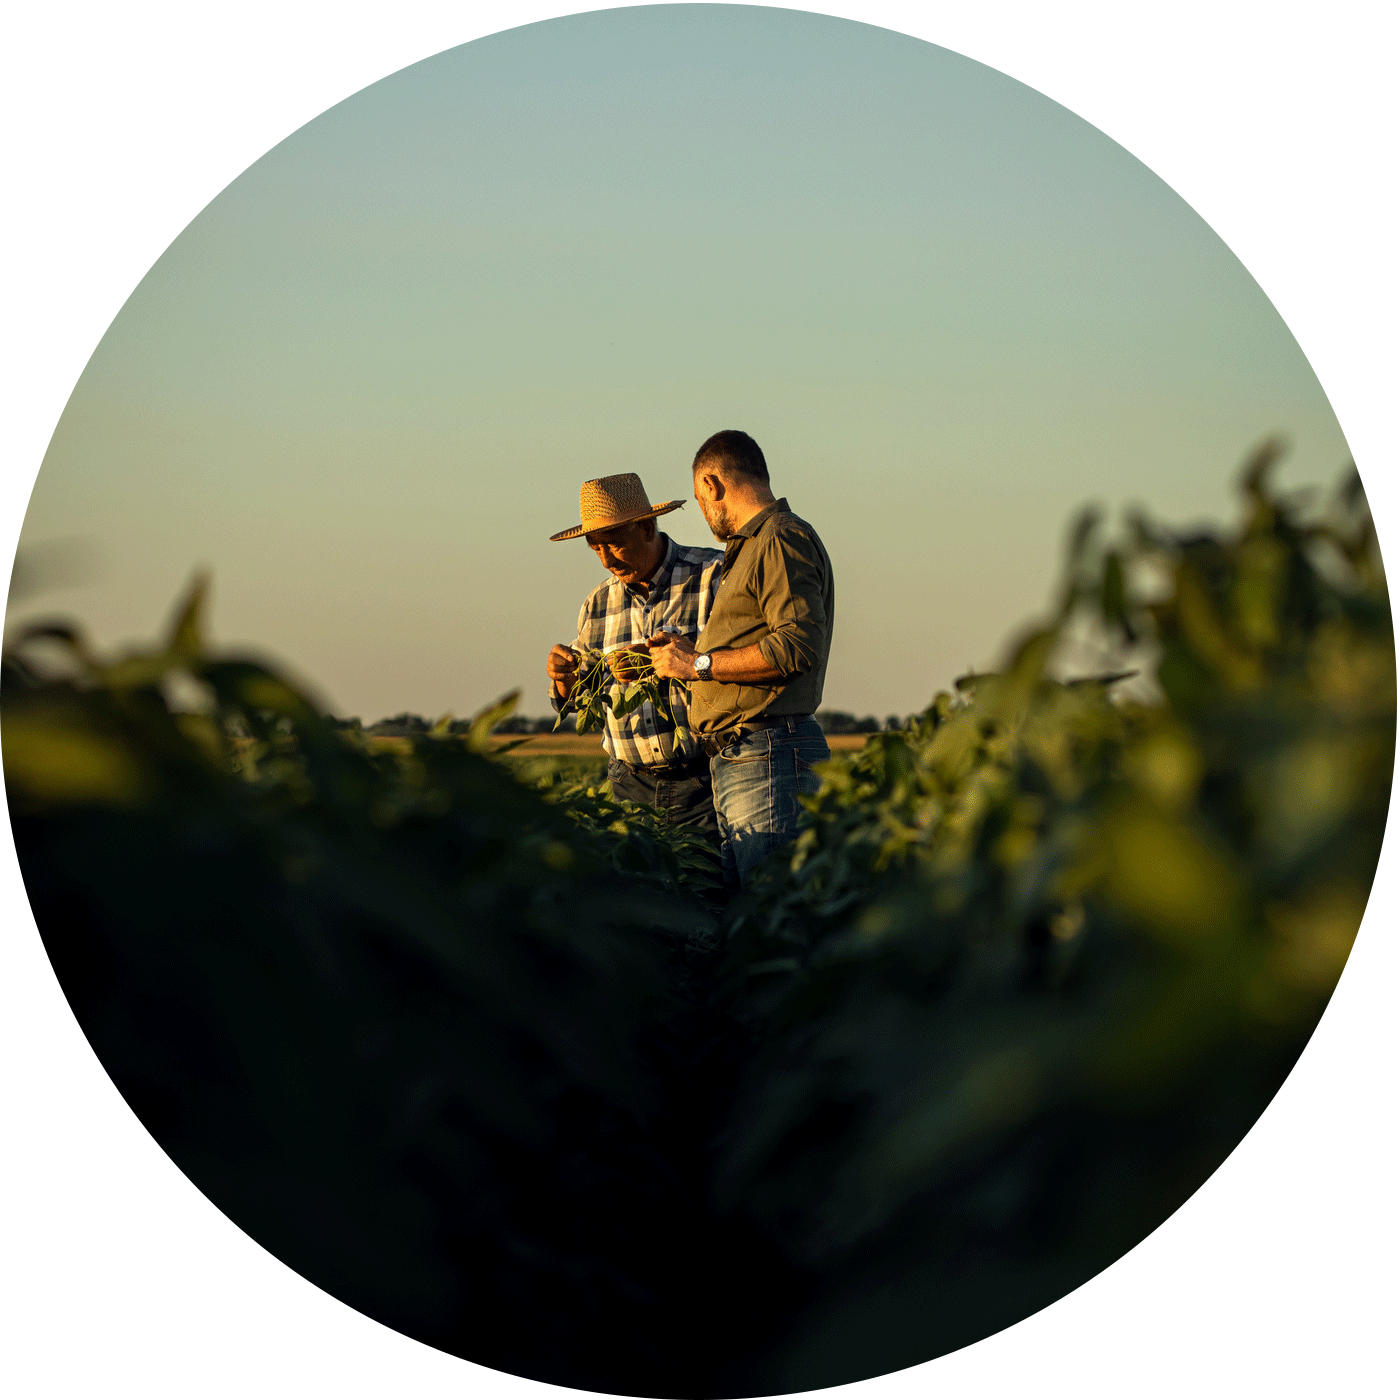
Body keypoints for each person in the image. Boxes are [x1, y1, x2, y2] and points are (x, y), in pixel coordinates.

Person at [647, 431, 835, 887]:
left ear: (711, 484)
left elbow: (796, 645)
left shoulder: (779, 538)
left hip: (768, 753)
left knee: (771, 914)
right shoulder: (753, 547)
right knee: (752, 916)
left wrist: (697, 665)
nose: (703, 511)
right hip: (749, 757)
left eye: (698, 497)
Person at [546, 472, 723, 834]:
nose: (606, 559)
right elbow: (580, 703)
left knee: (708, 885)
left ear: (647, 527)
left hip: (706, 782)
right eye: (595, 547)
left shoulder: (713, 575)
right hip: (630, 786)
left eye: (614, 544)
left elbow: (746, 666)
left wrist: (671, 660)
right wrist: (564, 679)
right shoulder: (597, 603)